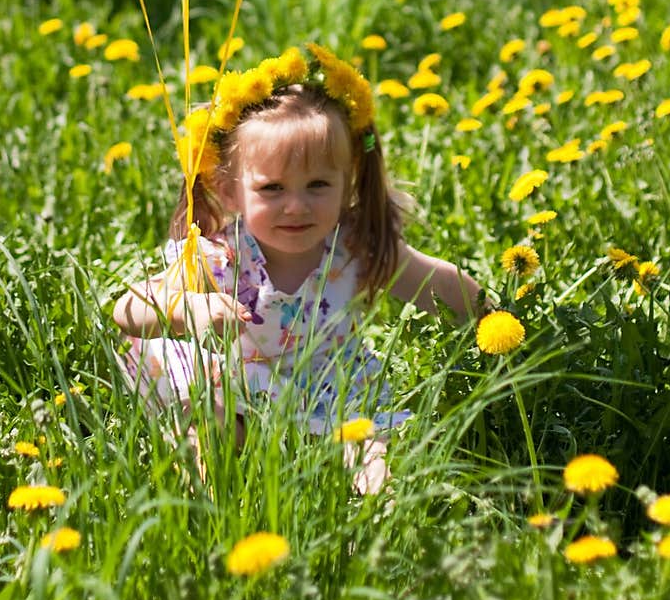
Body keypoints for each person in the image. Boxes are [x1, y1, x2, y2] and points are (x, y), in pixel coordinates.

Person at [112, 42, 489, 493]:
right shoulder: (219, 258)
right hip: (238, 384)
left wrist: (495, 317)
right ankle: (210, 508)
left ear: (347, 181)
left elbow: (437, 284)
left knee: (367, 447)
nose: (296, 206)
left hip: (330, 386)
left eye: (317, 185)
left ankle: (378, 517)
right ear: (229, 191)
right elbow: (127, 309)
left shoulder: (354, 247)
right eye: (272, 188)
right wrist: (187, 308)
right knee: (213, 426)